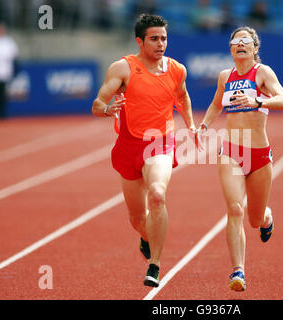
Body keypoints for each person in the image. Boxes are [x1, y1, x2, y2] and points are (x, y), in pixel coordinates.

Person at [91, 14, 197, 287]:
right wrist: (107, 109)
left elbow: (182, 96)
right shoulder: (123, 68)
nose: (161, 43)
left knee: (158, 196)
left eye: (164, 38)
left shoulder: (177, 69)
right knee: (138, 219)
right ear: (140, 41)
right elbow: (98, 103)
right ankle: (147, 236)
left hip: (160, 142)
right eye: (154, 39)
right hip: (128, 145)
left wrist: (192, 126)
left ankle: (155, 265)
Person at [197, 26, 283, 291]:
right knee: (235, 209)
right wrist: (204, 126)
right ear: (230, 48)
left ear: (255, 48)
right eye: (235, 41)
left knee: (254, 218)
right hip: (231, 151)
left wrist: (259, 102)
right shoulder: (224, 76)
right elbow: (217, 104)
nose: (240, 44)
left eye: (245, 41)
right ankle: (238, 272)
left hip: (259, 153)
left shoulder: (262, 73)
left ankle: (267, 218)